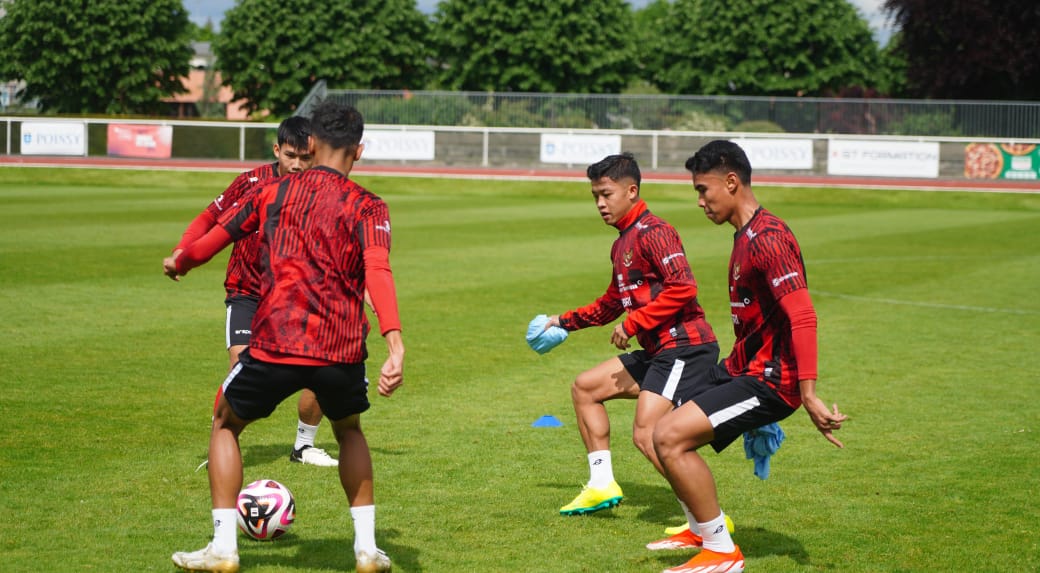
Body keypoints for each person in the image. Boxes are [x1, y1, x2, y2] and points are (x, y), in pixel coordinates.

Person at [164, 101, 404, 573]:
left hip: (275, 341)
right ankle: (365, 550)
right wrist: (395, 343)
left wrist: (181, 261)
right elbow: (378, 269)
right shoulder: (369, 205)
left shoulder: (270, 192)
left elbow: (216, 239)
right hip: (340, 347)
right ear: (359, 149)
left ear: (309, 143)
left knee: (225, 424)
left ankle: (224, 548)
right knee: (349, 430)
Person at [651, 140, 846, 573]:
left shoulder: (769, 239)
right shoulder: (746, 236)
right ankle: (702, 531)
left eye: (704, 190)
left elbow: (804, 315)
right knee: (656, 429)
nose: (700, 201)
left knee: (669, 436)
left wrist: (808, 393)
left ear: (732, 182)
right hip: (745, 368)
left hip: (773, 381)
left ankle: (722, 553)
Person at [542, 153, 721, 520]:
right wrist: (562, 322)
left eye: (606, 194)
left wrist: (634, 322)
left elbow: (683, 287)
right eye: (595, 196)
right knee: (585, 387)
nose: (600, 204)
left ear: (632, 191)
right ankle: (601, 484)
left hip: (685, 347)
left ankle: (705, 520)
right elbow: (612, 303)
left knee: (648, 434)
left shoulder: (656, 231)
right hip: (661, 351)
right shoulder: (622, 242)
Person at [170, 116, 338, 468]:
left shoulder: (321, 191)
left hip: (295, 296)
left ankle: (303, 447)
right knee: (241, 368)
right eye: (290, 155)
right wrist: (182, 251)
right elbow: (208, 219)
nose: (297, 164)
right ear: (277, 150)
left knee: (321, 365)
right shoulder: (250, 183)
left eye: (305, 158)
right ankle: (222, 443)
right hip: (247, 291)